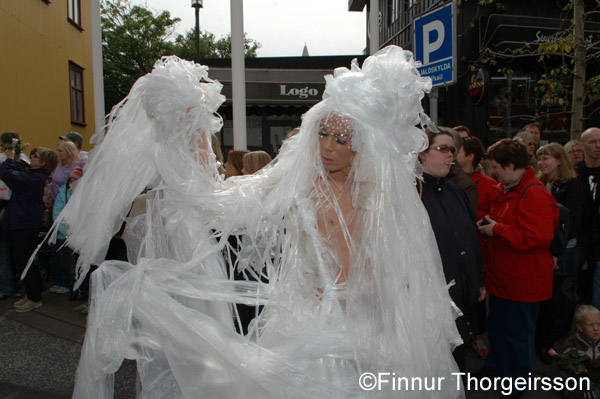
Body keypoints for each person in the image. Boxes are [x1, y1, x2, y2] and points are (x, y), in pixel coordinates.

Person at [61, 50, 464, 398]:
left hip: (375, 330)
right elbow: (218, 201)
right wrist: (187, 130)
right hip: (308, 328)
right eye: (323, 133)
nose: (327, 146)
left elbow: (404, 264)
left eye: (341, 139)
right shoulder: (299, 183)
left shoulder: (384, 192)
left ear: (366, 143)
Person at [477, 138, 558, 384]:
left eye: (495, 167)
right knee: (499, 330)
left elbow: (537, 237)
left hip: (523, 281)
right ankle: (495, 371)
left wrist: (497, 229)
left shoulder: (533, 193)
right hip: (506, 277)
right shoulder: (510, 188)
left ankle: (516, 380)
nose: (492, 172)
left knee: (517, 334)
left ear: (511, 165)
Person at [418, 129, 485, 373]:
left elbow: (470, 239)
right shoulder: (411, 194)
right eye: (442, 149)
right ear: (422, 154)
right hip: (430, 300)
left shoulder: (456, 192)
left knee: (458, 362)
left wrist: (478, 280)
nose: (450, 156)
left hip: (462, 293)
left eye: (453, 151)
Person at [534, 142, 585, 364]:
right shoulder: (540, 182)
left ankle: (558, 336)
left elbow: (572, 220)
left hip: (565, 249)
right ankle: (545, 335)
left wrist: (557, 250)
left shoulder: (572, 185)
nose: (541, 162)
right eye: (540, 158)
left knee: (563, 293)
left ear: (559, 160)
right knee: (548, 294)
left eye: (546, 158)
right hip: (547, 248)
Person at [0, 147, 58, 312]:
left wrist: (9, 158)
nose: (31, 158)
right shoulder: (33, 174)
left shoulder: (37, 178)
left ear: (43, 162)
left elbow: (8, 174)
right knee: (23, 260)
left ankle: (34, 297)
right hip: (20, 222)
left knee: (27, 261)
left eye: (35, 156)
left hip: (25, 223)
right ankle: (30, 293)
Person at [456, 135, 497, 358]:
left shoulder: (490, 185)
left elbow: (495, 216)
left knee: (477, 300)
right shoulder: (449, 182)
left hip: (479, 253)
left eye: (456, 151)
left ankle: (477, 335)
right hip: (456, 257)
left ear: (470, 156)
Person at [550, 305, 600, 398]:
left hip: (596, 377)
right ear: (580, 327)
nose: (596, 328)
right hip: (579, 377)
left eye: (599, 324)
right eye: (590, 324)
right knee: (561, 376)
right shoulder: (572, 341)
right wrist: (575, 367)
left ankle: (587, 395)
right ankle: (581, 393)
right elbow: (563, 359)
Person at [48, 167, 83, 294]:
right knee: (61, 260)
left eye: (75, 180)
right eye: (71, 180)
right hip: (63, 235)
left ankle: (72, 285)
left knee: (71, 263)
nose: (72, 182)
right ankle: (63, 283)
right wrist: (66, 232)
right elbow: (57, 213)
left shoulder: (82, 194)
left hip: (76, 235)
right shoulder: (63, 192)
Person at [577, 128, 600, 309]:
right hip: (578, 235)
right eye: (593, 142)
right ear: (583, 145)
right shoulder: (575, 172)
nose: (598, 146)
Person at [47, 141, 79, 208]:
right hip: (54, 201)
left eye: (60, 151)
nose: (57, 153)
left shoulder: (75, 169)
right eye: (57, 150)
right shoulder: (59, 165)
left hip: (65, 204)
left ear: (69, 153)